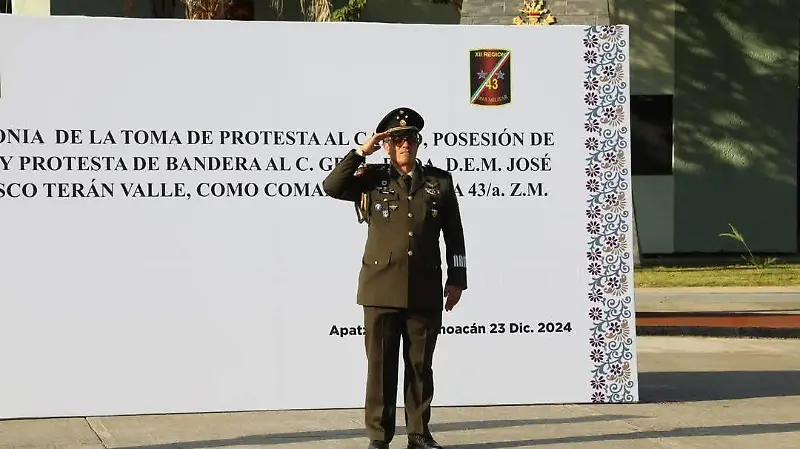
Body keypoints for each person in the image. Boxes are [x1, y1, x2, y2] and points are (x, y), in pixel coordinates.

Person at [322, 107, 467, 449]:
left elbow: (454, 233)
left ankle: (418, 433)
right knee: (381, 368)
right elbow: (332, 186)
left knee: (420, 366)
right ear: (387, 145)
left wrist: (457, 278)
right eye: (397, 139)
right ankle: (379, 436)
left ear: (418, 143)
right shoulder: (371, 178)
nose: (405, 145)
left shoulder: (439, 182)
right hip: (381, 287)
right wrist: (361, 151)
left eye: (410, 139)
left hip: (424, 287)